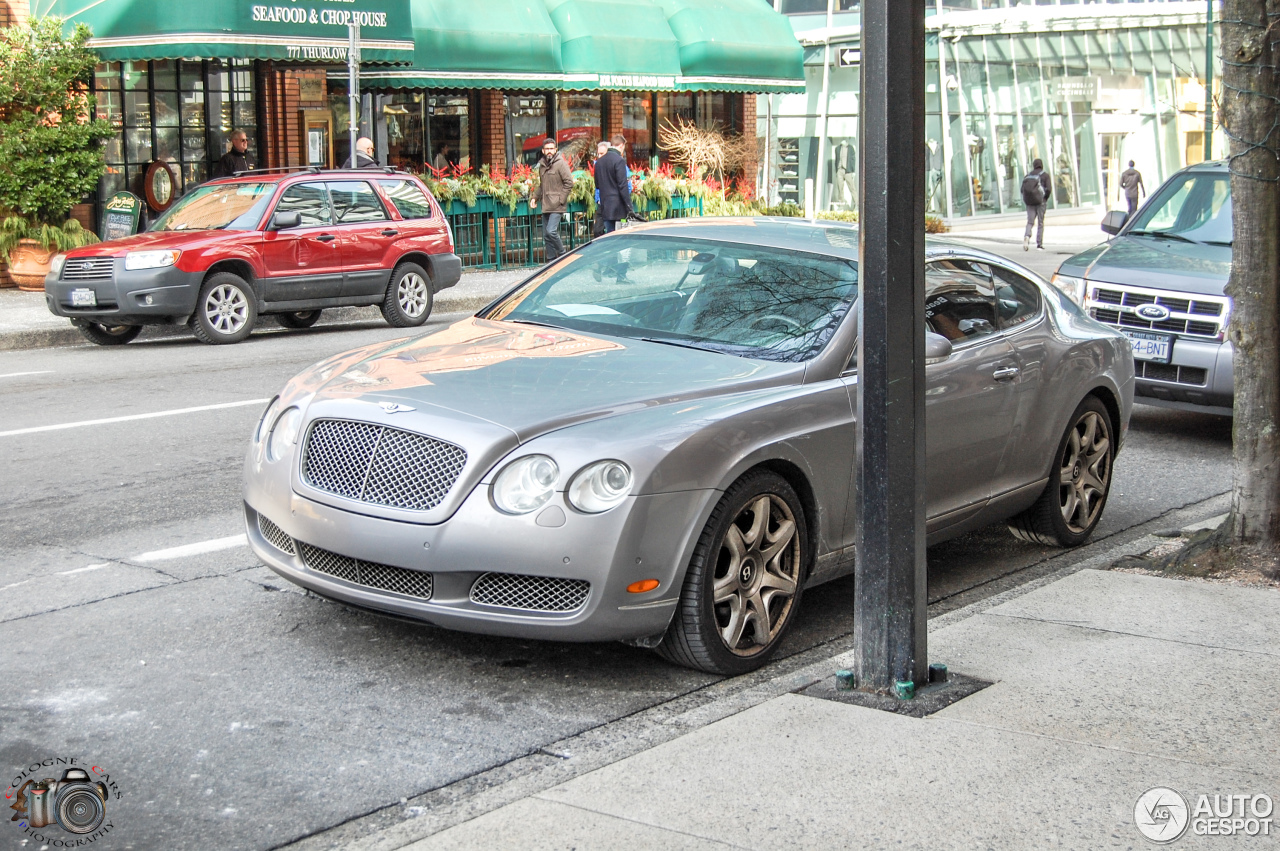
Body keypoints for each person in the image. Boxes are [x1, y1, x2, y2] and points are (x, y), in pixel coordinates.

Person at [531, 137, 573, 262]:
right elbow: (542, 185)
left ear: (555, 150)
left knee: (551, 231)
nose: (549, 151)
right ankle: (550, 261)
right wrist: (534, 198)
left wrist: (561, 199)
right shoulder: (542, 166)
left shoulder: (561, 163)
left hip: (557, 205)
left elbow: (569, 183)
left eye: (551, 149)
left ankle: (563, 254)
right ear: (543, 151)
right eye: (547, 149)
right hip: (546, 204)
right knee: (546, 235)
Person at [595, 134, 633, 235]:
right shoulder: (619, 161)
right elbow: (623, 186)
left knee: (609, 235)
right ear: (621, 145)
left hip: (605, 206)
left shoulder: (599, 162)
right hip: (619, 208)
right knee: (621, 236)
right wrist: (629, 206)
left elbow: (597, 184)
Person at [1021, 158, 1051, 251]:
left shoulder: (1028, 176)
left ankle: (1027, 236)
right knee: (1040, 223)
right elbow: (1049, 189)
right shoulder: (1045, 175)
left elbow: (1022, 190)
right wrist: (1045, 198)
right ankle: (1039, 244)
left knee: (1030, 222)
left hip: (1030, 202)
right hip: (1041, 202)